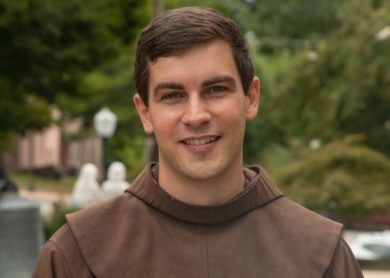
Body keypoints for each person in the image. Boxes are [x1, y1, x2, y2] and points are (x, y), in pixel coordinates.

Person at [33, 7, 363, 277]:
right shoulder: (75, 257)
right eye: (173, 95)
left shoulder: (322, 257)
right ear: (145, 112)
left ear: (250, 97)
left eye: (215, 89)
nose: (196, 115)